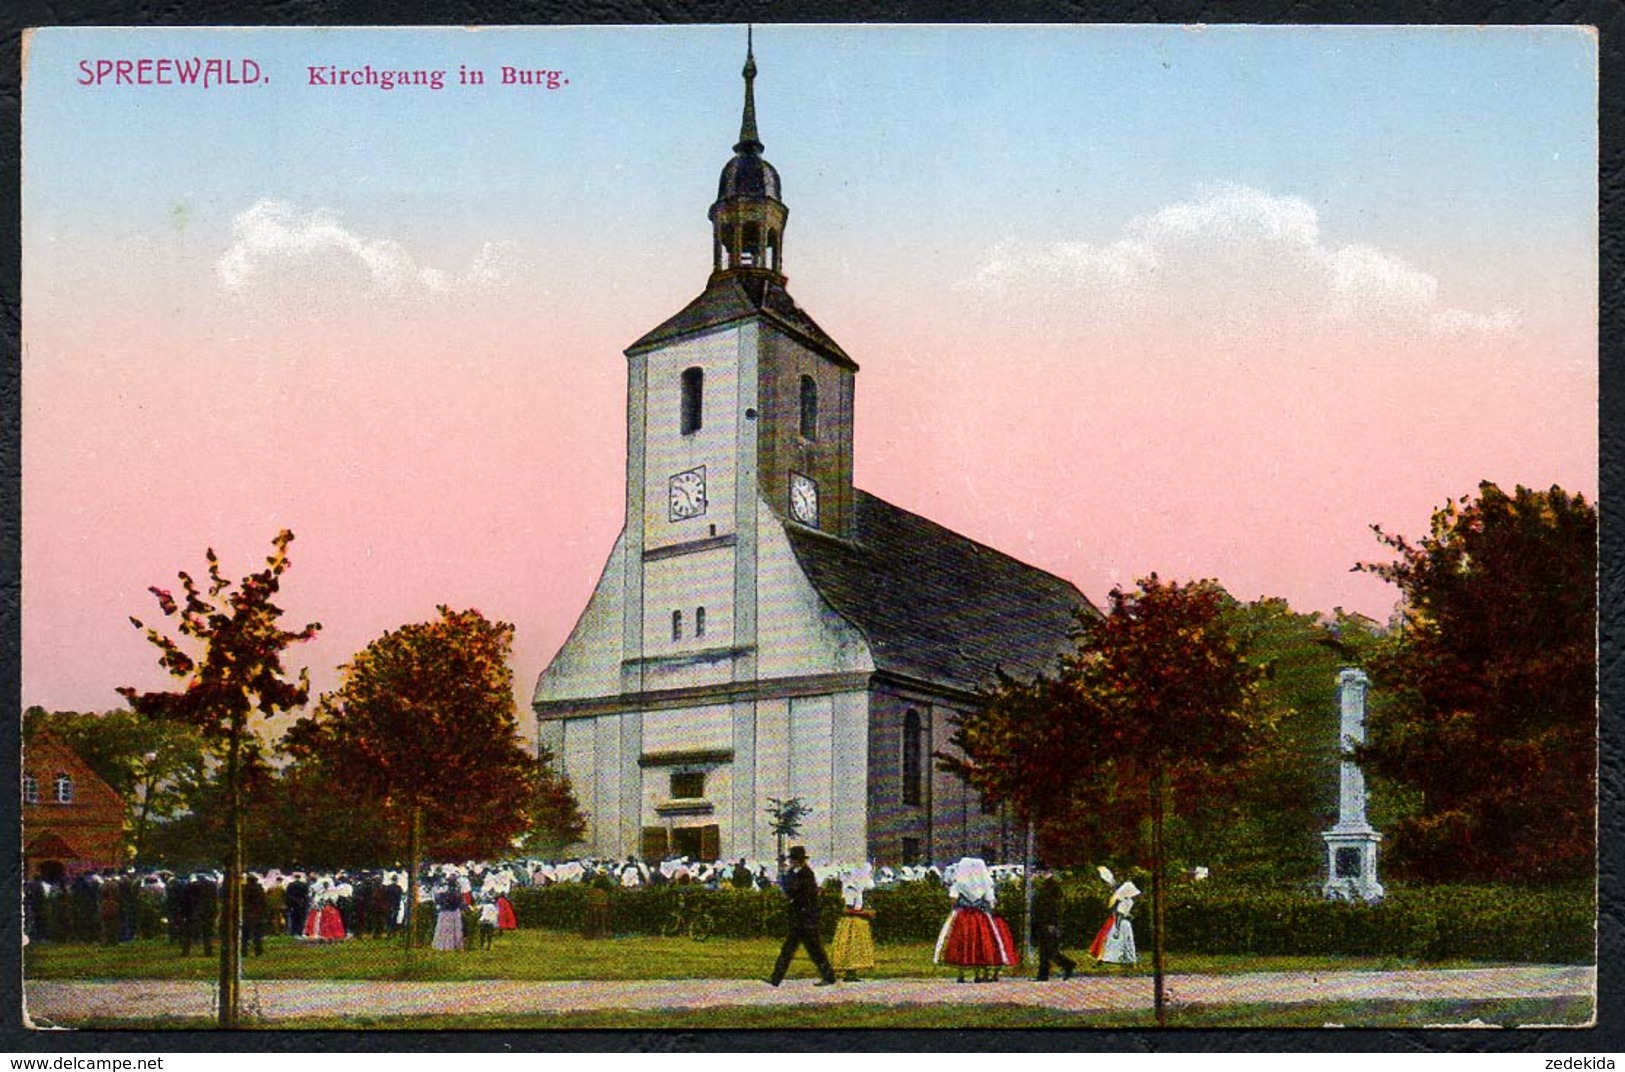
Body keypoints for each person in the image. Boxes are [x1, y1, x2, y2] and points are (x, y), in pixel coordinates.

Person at [933, 857, 1018, 983]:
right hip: (981, 916)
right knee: (982, 942)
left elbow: (953, 899)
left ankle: (961, 974)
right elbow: (990, 901)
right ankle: (980, 972)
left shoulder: (958, 884)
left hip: (962, 917)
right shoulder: (985, 884)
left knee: (962, 942)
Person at [766, 846, 837, 987]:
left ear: (800, 861)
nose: (792, 862)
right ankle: (776, 978)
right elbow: (788, 887)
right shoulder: (792, 873)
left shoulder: (807, 874)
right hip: (797, 919)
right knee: (789, 949)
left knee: (815, 951)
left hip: (806, 919)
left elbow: (804, 895)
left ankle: (829, 976)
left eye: (794, 860)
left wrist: (792, 896)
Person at [830, 864, 876, 982]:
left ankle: (852, 972)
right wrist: (864, 913)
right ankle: (848, 971)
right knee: (850, 946)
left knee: (856, 947)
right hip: (851, 921)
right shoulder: (850, 889)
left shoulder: (859, 889)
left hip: (858, 921)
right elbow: (846, 909)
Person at [1032, 873, 1076, 981]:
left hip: (1047, 923)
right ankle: (1043, 974)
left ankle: (1067, 964)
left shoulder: (1049, 890)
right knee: (1045, 951)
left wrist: (1050, 923)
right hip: (1046, 923)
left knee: (1049, 950)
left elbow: (1048, 909)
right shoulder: (1049, 889)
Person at [1089, 879, 1140, 965]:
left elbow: (1120, 913)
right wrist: (1117, 928)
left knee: (1123, 940)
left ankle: (1124, 958)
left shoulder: (1127, 901)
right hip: (1122, 923)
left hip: (1123, 923)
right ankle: (1121, 958)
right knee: (1121, 940)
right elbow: (1119, 915)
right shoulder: (1126, 902)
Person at [432, 882, 465, 951]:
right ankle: (451, 945)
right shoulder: (453, 893)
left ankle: (447, 945)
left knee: (447, 929)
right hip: (450, 912)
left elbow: (438, 900)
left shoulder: (447, 893)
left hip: (449, 912)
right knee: (449, 929)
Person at [241, 874, 267, 957]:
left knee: (245, 934)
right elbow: (263, 902)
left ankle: (244, 951)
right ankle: (258, 951)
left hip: (247, 913)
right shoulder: (260, 889)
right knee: (257, 934)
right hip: (257, 914)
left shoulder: (244, 890)